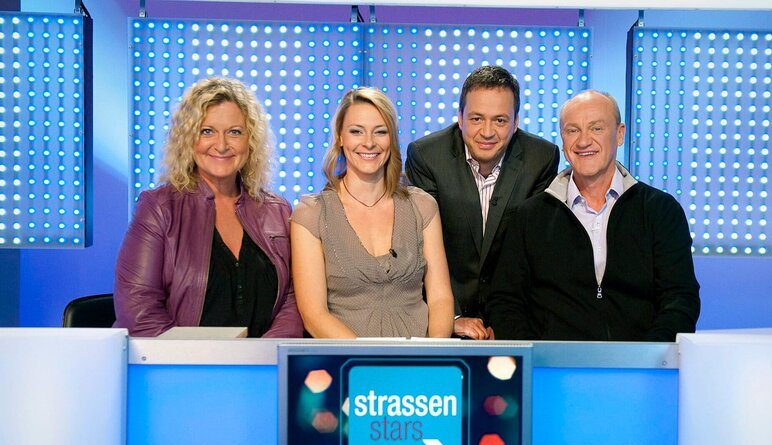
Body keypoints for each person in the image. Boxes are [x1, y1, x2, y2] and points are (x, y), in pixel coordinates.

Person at [487, 90, 700, 341]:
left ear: (619, 134)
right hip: (552, 369)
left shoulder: (660, 211)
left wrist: (646, 360)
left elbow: (680, 300)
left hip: (642, 367)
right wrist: (537, 360)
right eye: (573, 130)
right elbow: (505, 302)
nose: (583, 141)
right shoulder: (530, 216)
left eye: (596, 129)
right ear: (563, 139)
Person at [114, 77, 303, 338]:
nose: (222, 144)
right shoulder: (158, 208)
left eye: (234, 132)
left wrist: (266, 356)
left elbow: (293, 299)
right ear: (188, 139)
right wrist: (201, 362)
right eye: (207, 131)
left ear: (250, 141)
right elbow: (139, 311)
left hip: (263, 367)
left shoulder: (277, 210)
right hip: (181, 369)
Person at [405, 65, 560, 340]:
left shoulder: (541, 158)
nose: (487, 132)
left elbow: (532, 251)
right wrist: (451, 317)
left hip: (514, 317)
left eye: (500, 120)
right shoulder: (427, 156)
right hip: (444, 317)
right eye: (476, 118)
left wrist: (506, 320)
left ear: (515, 123)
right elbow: (423, 248)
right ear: (460, 118)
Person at [291, 87, 453, 338]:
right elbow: (314, 315)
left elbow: (441, 298)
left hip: (421, 366)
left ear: (392, 139)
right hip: (348, 366)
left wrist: (432, 358)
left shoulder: (422, 206)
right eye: (356, 131)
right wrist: (369, 362)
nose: (369, 142)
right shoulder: (311, 214)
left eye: (380, 132)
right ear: (340, 137)